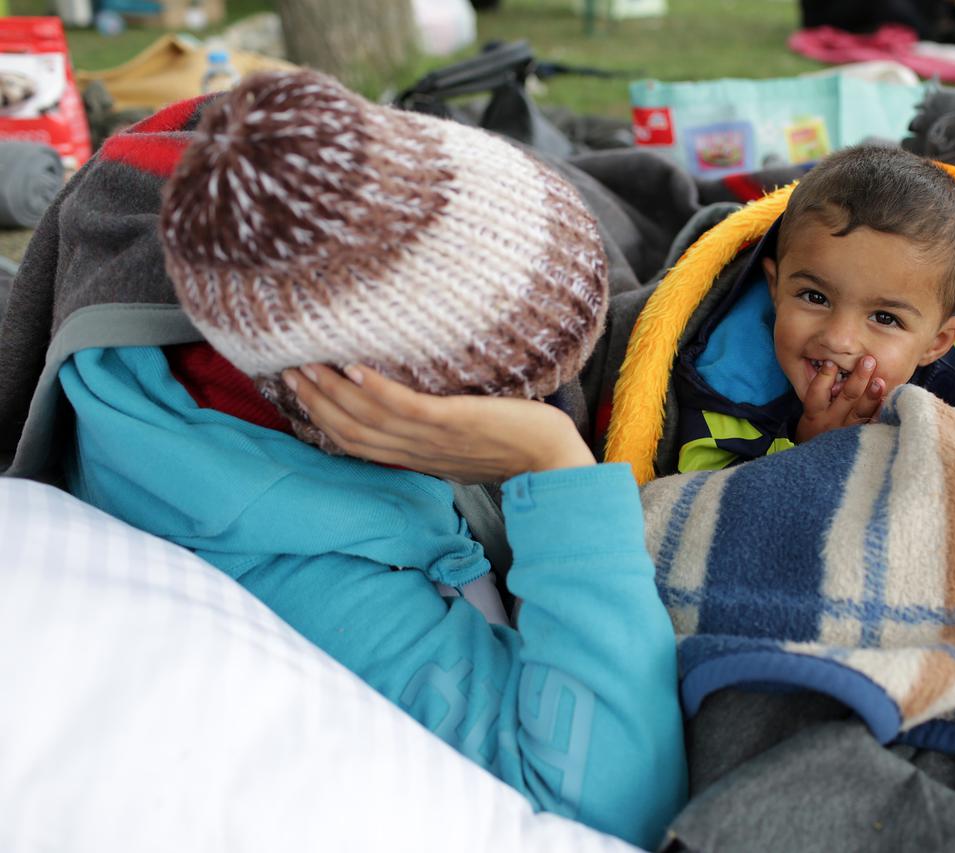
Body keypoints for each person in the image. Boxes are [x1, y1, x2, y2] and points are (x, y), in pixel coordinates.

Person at [53, 70, 686, 849]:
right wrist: (553, 463)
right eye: (531, 383)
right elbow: (609, 807)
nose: (559, 393)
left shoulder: (240, 198)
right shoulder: (308, 576)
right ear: (381, 404)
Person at [675, 144, 955, 472]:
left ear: (936, 343)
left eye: (884, 318)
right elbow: (699, 497)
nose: (838, 339)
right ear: (775, 287)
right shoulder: (727, 389)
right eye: (815, 297)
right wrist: (806, 449)